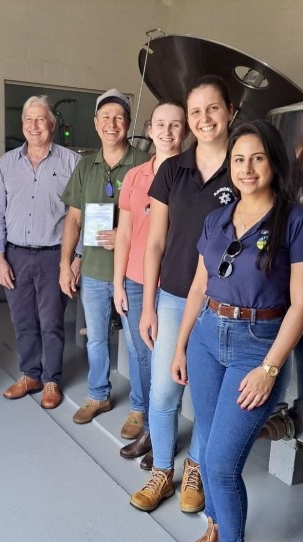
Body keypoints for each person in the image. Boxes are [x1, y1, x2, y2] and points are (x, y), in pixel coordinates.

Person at [172, 121, 303, 542]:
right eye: (238, 159)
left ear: (273, 162)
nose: (247, 168)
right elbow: (199, 285)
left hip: (256, 346)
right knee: (206, 443)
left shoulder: (296, 222)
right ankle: (215, 529)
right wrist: (181, 345)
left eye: (257, 158)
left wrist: (269, 368)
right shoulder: (217, 218)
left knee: (221, 462)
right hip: (206, 336)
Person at [131, 75, 235, 514]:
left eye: (213, 108)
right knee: (162, 393)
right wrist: (148, 306)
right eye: (196, 111)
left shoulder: (243, 167)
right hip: (173, 296)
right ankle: (161, 470)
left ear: (230, 112)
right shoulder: (173, 170)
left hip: (221, 303)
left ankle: (195, 467)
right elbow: (155, 242)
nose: (204, 118)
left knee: (207, 400)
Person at [59, 89, 151, 425]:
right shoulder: (86, 166)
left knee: (138, 344)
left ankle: (141, 408)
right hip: (95, 271)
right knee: (96, 339)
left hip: (134, 274)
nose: (112, 124)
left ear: (128, 123)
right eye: (106, 118)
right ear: (96, 123)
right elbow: (73, 219)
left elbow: (159, 218)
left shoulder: (144, 164)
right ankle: (98, 395)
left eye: (119, 118)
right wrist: (66, 263)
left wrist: (126, 233)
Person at [0, 96, 81, 409]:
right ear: (22, 123)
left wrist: (76, 258)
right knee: (22, 320)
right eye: (29, 119)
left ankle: (52, 379)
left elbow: (81, 214)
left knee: (51, 321)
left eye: (41, 119)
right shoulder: (7, 163)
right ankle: (30, 374)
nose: (34, 125)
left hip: (55, 255)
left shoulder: (71, 162)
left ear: (52, 124)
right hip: (15, 255)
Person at [113, 100, 187, 462]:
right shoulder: (135, 176)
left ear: (185, 130)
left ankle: (161, 435)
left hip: (172, 285)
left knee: (169, 363)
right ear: (149, 129)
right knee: (142, 356)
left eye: (175, 125)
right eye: (160, 124)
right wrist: (117, 283)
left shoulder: (192, 176)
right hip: (136, 280)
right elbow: (125, 234)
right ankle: (148, 425)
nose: (167, 132)